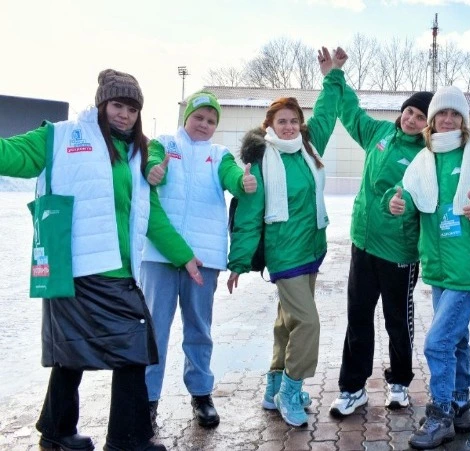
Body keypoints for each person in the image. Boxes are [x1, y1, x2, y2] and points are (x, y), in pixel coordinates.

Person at [0, 69, 203, 451]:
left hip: (118, 270)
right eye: (117, 105)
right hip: (79, 268)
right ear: (101, 104)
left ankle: (57, 431)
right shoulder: (61, 137)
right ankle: (127, 440)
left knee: (73, 351)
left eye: (131, 108)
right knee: (134, 350)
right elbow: (13, 156)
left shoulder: (136, 154)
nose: (124, 115)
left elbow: (151, 216)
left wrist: (185, 257)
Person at [389, 85, 470, 449]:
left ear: (462, 120)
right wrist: (396, 203)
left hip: (468, 267)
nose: (447, 119)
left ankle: (440, 416)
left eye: (454, 114)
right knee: (457, 339)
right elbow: (405, 193)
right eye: (441, 113)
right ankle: (460, 406)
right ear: (432, 120)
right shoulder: (423, 158)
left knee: (438, 342)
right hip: (437, 266)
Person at [226, 50, 340, 428]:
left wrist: (332, 77)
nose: (289, 127)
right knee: (308, 323)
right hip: (284, 255)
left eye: (294, 121)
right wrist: (239, 261)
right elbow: (247, 215)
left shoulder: (308, 147)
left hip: (312, 249)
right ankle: (291, 389)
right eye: (282, 121)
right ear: (270, 125)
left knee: (287, 322)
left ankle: (273, 386)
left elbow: (326, 112)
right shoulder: (261, 160)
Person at [317, 47, 433, 417]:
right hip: (363, 244)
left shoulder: (427, 155)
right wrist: (334, 75)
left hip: (399, 251)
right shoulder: (380, 133)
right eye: (409, 112)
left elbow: (429, 196)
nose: (411, 120)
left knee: (397, 319)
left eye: (420, 117)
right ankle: (352, 388)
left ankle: (400, 382)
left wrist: (406, 205)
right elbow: (350, 112)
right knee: (358, 316)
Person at [140, 90, 257, 429]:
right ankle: (148, 399)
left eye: (211, 120)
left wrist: (242, 181)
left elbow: (232, 175)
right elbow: (150, 161)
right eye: (199, 117)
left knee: (199, 329)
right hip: (160, 257)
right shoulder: (164, 144)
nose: (204, 125)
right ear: (186, 117)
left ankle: (201, 394)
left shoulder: (218, 155)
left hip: (204, 259)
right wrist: (153, 171)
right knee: (154, 331)